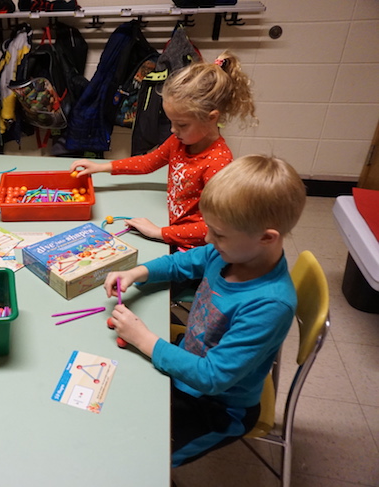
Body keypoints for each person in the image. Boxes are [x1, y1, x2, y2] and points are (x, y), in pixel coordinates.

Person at [103, 155, 306, 467]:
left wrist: (143, 339)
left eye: (219, 234)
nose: (208, 240)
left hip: (217, 406)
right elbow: (181, 263)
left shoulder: (271, 304)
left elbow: (213, 377)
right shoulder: (231, 251)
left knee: (141, 463)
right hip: (189, 361)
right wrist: (137, 272)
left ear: (267, 238)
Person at [70, 50, 256, 250]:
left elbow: (215, 228)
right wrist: (101, 167)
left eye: (182, 125)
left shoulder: (218, 163)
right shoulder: (180, 141)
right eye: (172, 123)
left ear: (211, 117)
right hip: (173, 228)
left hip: (194, 247)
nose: (173, 130)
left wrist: (159, 232)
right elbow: (147, 162)